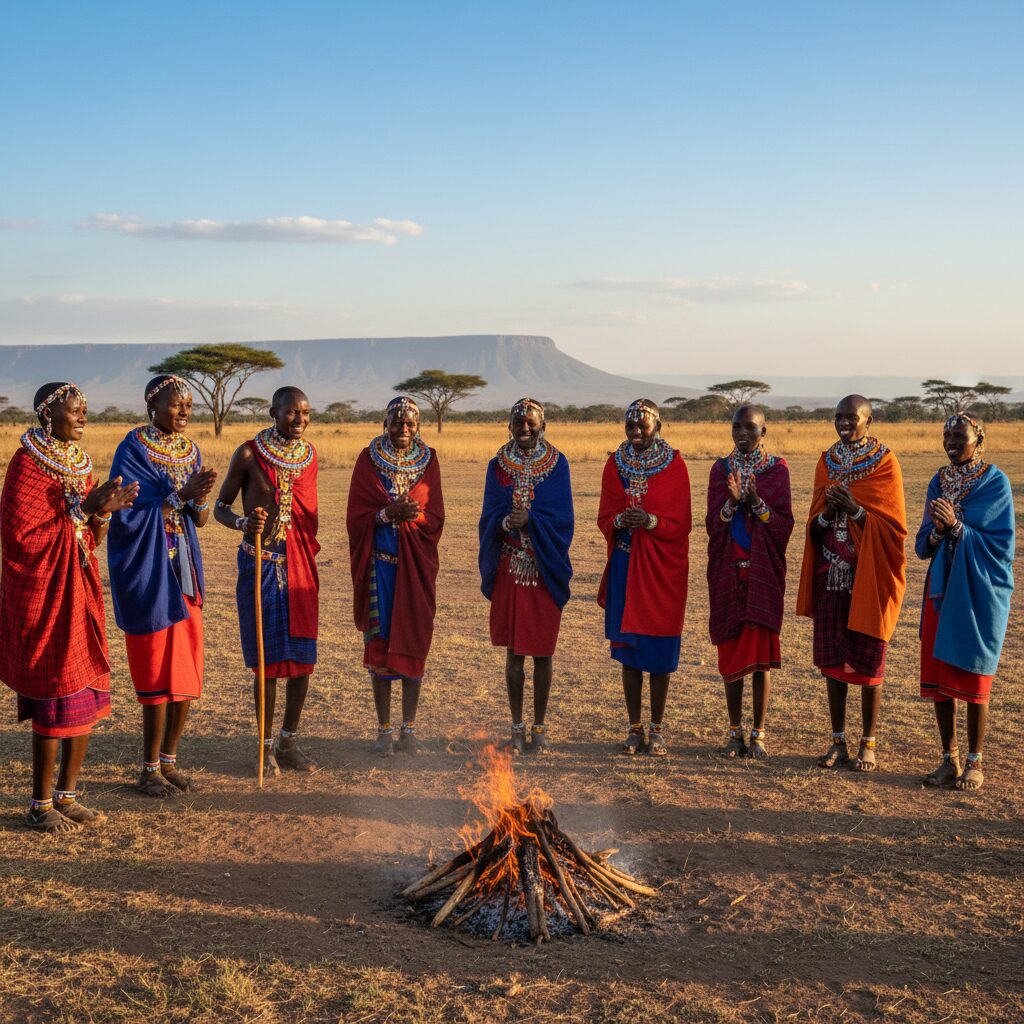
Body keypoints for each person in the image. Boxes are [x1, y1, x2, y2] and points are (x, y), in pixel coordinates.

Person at [0, 383, 138, 831]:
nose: (83, 417)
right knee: (54, 695)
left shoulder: (79, 463)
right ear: (48, 414)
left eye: (85, 410)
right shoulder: (26, 464)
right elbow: (20, 539)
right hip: (44, 594)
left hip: (80, 589)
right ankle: (40, 805)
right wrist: (82, 510)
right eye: (74, 411)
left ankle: (68, 795)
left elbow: (88, 540)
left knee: (85, 691)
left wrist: (101, 513)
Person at [107, 375, 217, 797]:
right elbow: (125, 515)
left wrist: (198, 497)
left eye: (189, 404)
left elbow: (199, 520)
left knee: (185, 669)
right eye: (176, 404)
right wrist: (178, 495)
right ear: (152, 406)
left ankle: (169, 761)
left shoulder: (191, 451)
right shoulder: (133, 448)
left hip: (184, 572)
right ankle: (148, 768)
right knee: (154, 668)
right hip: (149, 571)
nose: (184, 411)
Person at [796, 395, 907, 772]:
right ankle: (838, 741)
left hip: (868, 577)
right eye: (839, 417)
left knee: (870, 661)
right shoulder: (826, 462)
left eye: (852, 418)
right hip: (830, 574)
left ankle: (868, 744)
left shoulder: (885, 463)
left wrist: (856, 510)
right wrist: (830, 511)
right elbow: (813, 529)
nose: (844, 423)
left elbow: (894, 531)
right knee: (833, 664)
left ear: (868, 421)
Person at [214, 387, 320, 776]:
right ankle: (263, 748)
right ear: (273, 412)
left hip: (300, 566)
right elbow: (220, 507)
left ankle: (288, 743)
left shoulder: (309, 456)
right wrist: (243, 523)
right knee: (268, 662)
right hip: (261, 564)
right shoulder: (248, 454)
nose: (300, 420)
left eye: (305, 413)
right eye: (292, 413)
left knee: (302, 660)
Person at [916, 413, 1014, 791]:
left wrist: (957, 526)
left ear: (979, 439)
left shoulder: (995, 482)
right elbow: (923, 544)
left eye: (960, 436)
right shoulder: (938, 481)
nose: (952, 443)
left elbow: (1000, 546)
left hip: (978, 591)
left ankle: (975, 761)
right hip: (941, 588)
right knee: (940, 677)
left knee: (973, 673)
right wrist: (939, 531)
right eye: (947, 436)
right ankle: (949, 759)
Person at [347, 396, 444, 756]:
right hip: (380, 567)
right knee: (381, 645)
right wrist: (387, 514)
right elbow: (355, 516)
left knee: (414, 641)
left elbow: (436, 516)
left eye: (410, 423)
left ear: (418, 426)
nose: (403, 428)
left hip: (415, 568)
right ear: (385, 423)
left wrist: (413, 516)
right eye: (397, 422)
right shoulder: (368, 459)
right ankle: (384, 730)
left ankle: (409, 730)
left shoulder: (429, 460)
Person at [479, 398, 574, 754]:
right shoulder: (498, 466)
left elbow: (564, 519)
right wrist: (506, 522)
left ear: (542, 425)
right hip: (510, 568)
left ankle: (540, 728)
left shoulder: (558, 464)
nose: (524, 428)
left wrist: (532, 520)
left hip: (544, 569)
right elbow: (488, 515)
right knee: (514, 653)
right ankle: (517, 728)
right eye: (518, 422)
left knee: (543, 652)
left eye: (531, 422)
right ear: (509, 426)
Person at [598, 399, 691, 756]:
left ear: (658, 427)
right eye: (631, 426)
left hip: (661, 570)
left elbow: (682, 523)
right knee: (630, 651)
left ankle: (658, 729)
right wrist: (621, 520)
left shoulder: (674, 466)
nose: (636, 432)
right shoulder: (615, 463)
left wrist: (651, 521)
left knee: (659, 650)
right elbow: (605, 515)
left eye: (643, 426)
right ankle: (635, 728)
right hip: (625, 565)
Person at [706, 405, 793, 758]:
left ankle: (758, 733)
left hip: (762, 574)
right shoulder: (719, 470)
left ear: (763, 431)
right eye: (736, 427)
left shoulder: (777, 470)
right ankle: (733, 733)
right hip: (728, 573)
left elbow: (783, 527)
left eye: (750, 428)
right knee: (730, 656)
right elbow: (712, 525)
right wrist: (730, 503)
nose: (742, 433)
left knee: (760, 661)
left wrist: (756, 502)